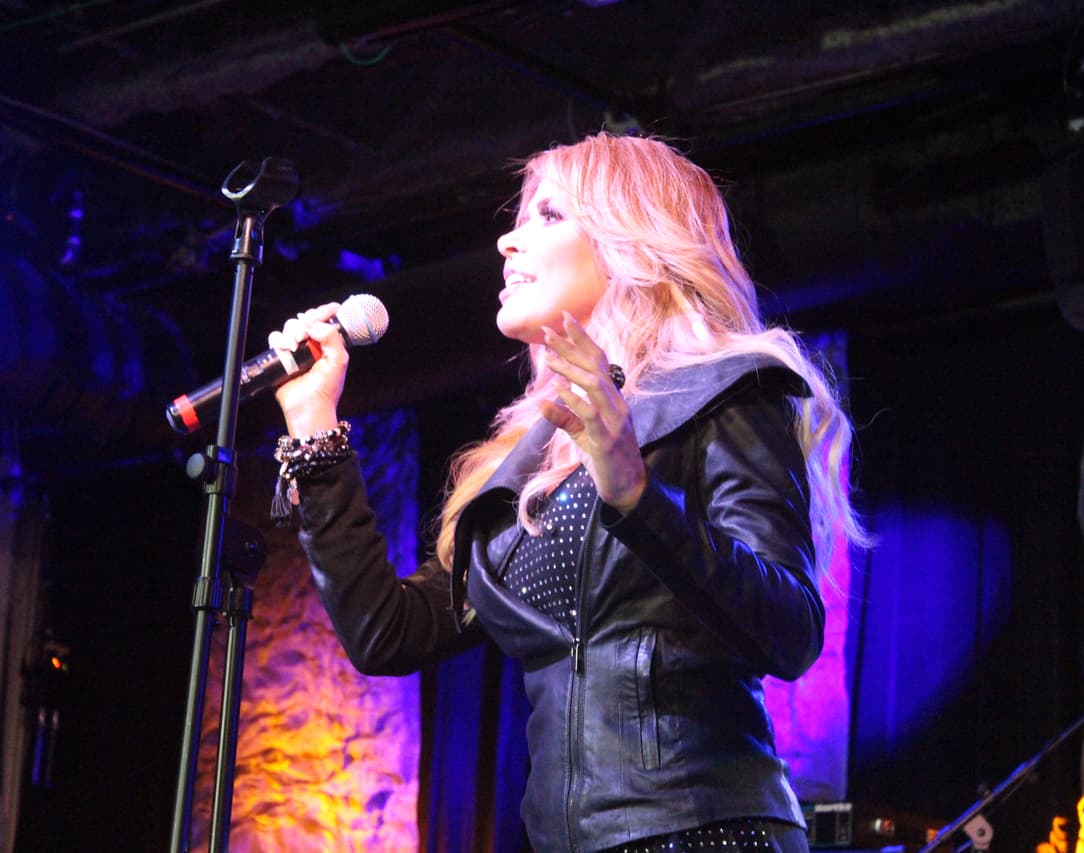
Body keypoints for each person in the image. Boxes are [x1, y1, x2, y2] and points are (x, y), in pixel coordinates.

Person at [268, 132, 868, 853]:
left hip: (705, 831)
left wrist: (635, 496)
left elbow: (791, 630)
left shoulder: (724, 391)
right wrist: (315, 427)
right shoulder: (526, 461)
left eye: (548, 215)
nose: (506, 241)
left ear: (632, 241)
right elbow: (387, 632)